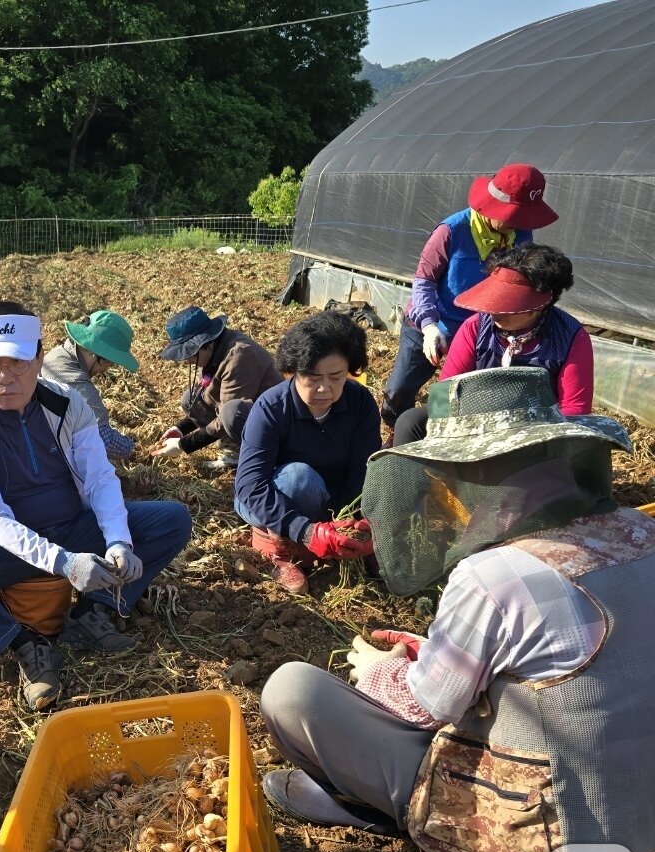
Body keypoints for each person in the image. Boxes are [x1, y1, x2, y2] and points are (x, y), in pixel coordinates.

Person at [259, 367, 652, 852]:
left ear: (475, 475)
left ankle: (381, 811)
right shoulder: (642, 536)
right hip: (636, 841)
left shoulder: (497, 575)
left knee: (292, 689)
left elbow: (426, 707)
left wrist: (380, 669)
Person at [0, 302, 192, 711]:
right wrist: (64, 563)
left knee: (173, 520)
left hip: (73, 525)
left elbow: (99, 477)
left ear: (40, 358)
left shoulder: (67, 404)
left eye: (19, 362)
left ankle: (95, 612)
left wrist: (118, 542)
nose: (5, 378)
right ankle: (24, 644)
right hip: (8, 545)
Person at [380, 163, 558, 432]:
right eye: (513, 216)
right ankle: (397, 433)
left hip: (478, 331)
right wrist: (429, 326)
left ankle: (440, 437)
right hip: (433, 324)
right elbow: (423, 281)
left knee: (453, 392)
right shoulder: (451, 232)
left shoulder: (521, 233)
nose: (517, 224)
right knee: (399, 389)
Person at [233, 310, 380, 594]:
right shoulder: (271, 408)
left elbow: (364, 468)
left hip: (328, 498)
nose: (325, 388)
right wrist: (306, 531)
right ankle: (281, 549)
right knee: (299, 479)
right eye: (312, 378)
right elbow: (250, 486)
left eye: (336, 376)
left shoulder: (360, 402)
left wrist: (346, 521)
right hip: (272, 496)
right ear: (293, 372)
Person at [392, 243, 592, 444]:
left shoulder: (570, 338)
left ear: (540, 306)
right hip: (474, 422)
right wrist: (446, 435)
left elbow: (573, 412)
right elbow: (445, 393)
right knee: (411, 423)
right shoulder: (475, 327)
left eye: (508, 305)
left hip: (537, 432)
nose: (495, 311)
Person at [150, 306, 282, 469]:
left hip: (275, 425)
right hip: (246, 416)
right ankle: (234, 452)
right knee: (190, 398)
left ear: (205, 343)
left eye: (190, 354)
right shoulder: (213, 354)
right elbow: (208, 400)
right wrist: (180, 429)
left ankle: (265, 456)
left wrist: (183, 445)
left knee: (231, 412)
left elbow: (229, 415)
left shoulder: (239, 356)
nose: (188, 361)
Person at [40, 309, 141, 460]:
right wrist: (133, 449)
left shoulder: (57, 355)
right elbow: (102, 439)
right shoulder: (74, 380)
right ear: (96, 354)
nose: (107, 368)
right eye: (109, 361)